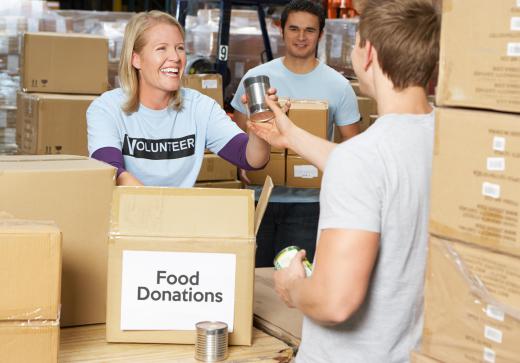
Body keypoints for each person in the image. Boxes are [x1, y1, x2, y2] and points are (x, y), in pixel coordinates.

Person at [248, 0, 440, 361]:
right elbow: (374, 169)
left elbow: (334, 303)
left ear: (367, 54)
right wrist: (289, 134)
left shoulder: (364, 157)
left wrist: (294, 286)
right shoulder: (445, 139)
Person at [231, 0, 360, 267]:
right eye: (294, 29)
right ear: (282, 30)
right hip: (258, 199)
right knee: (251, 282)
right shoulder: (257, 79)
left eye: (310, 30)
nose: (301, 37)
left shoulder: (338, 86)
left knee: (297, 283)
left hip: (309, 205)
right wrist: (240, 169)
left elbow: (354, 146)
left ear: (320, 35)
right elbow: (239, 137)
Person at [87, 10, 270, 186]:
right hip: (126, 213)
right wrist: (164, 211)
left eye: (180, 48)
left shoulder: (200, 107)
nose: (175, 57)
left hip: (179, 213)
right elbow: (111, 172)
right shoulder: (106, 109)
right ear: (136, 59)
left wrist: (259, 128)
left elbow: (250, 159)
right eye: (161, 48)